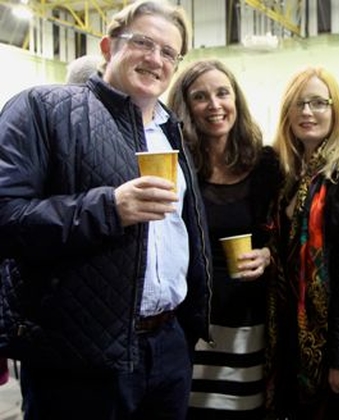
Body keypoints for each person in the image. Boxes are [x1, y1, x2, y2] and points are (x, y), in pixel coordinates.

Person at [0, 1, 213, 419]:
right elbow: (6, 216)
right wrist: (109, 208)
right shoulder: (44, 109)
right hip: (77, 358)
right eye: (143, 43)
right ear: (107, 46)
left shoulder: (171, 131)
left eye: (169, 52)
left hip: (168, 345)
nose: (156, 58)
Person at [265, 66, 339, 419]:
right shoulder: (292, 175)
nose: (307, 112)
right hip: (293, 336)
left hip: (338, 341)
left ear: (336, 109)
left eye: (318, 102)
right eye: (298, 104)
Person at [167, 59, 282, 419]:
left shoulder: (266, 164)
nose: (214, 105)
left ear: (237, 100)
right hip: (191, 323)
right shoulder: (178, 166)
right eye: (200, 97)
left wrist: (267, 254)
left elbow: (283, 236)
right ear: (186, 108)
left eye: (222, 93)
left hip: (247, 322)